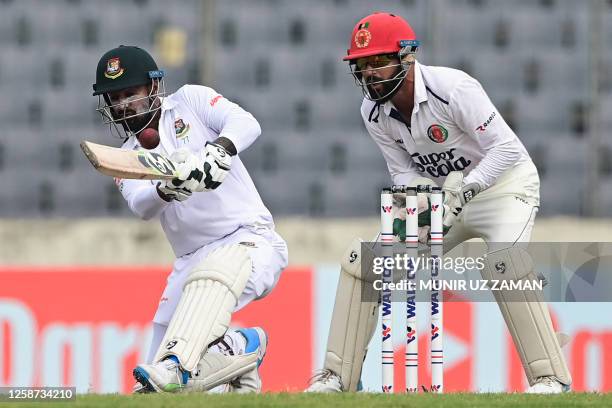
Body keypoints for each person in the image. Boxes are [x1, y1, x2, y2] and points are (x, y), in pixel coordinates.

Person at [306, 12, 571, 394]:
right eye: (362, 66)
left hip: (501, 186)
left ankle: (551, 378)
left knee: (503, 263)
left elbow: (508, 149)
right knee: (364, 261)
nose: (370, 74)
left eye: (379, 62)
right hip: (441, 198)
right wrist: (426, 196)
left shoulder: (455, 88)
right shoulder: (373, 112)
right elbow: (400, 172)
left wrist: (466, 188)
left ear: (407, 57)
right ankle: (337, 377)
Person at [92, 45, 288, 393]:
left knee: (176, 364)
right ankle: (240, 363)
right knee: (153, 387)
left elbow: (247, 123)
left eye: (130, 94)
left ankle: (237, 346)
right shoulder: (125, 157)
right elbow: (141, 206)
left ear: (153, 88)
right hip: (189, 261)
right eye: (115, 97)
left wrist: (219, 151)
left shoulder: (190, 102)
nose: (123, 104)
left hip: (250, 240)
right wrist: (169, 189)